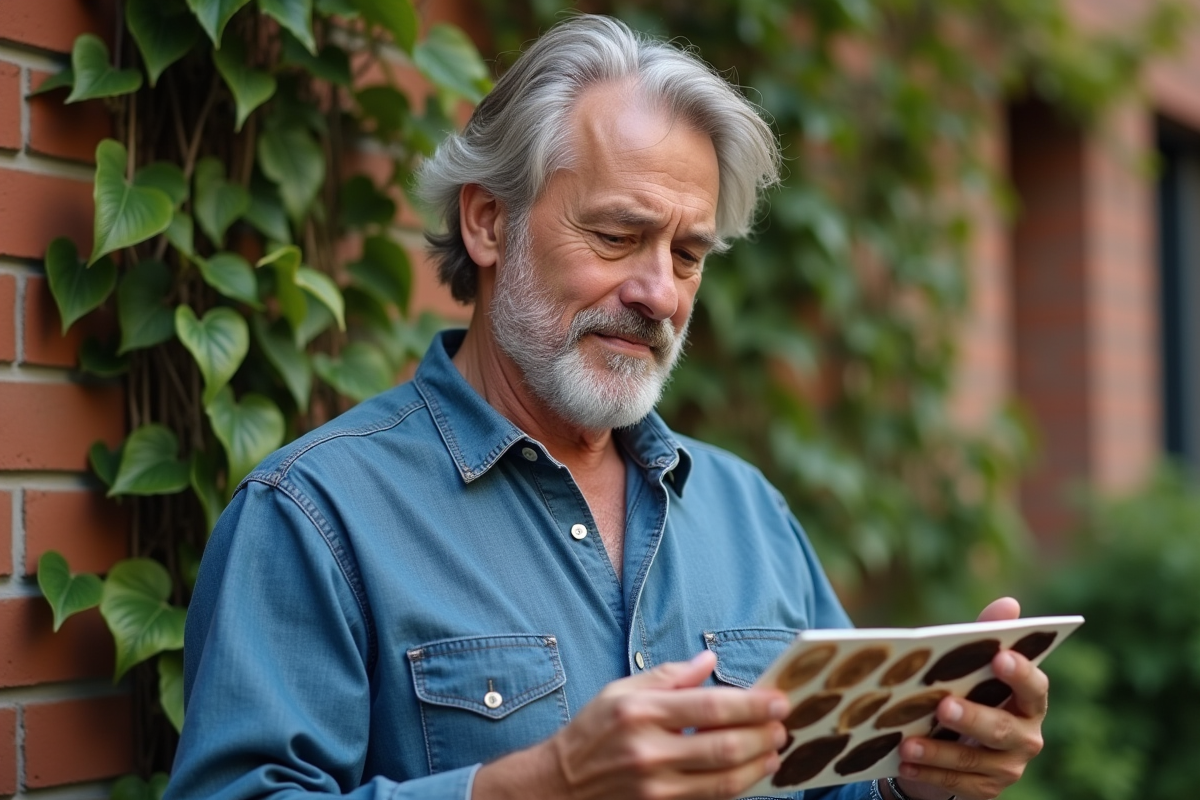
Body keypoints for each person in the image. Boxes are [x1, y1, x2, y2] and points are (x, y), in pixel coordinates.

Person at [166, 14, 1048, 800]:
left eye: (690, 253)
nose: (660, 292)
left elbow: (830, 785)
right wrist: (541, 787)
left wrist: (924, 776)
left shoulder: (749, 514)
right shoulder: (315, 515)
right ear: (488, 223)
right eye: (617, 236)